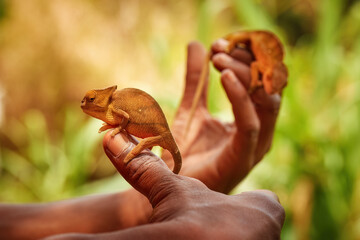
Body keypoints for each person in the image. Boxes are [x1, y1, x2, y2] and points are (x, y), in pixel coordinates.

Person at [0, 39, 285, 240]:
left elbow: (123, 120)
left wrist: (147, 200)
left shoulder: (114, 108)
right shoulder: (110, 108)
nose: (85, 105)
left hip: (154, 134)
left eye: (89, 101)